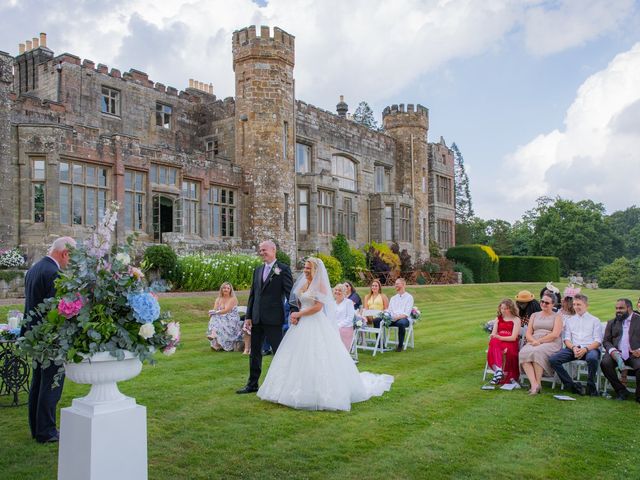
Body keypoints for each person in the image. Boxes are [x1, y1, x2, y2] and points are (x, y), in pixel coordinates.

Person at [257, 257, 393, 410]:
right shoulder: (304, 283)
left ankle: (317, 393)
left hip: (315, 321)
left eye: (309, 268)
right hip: (301, 323)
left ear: (315, 269)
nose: (306, 270)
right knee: (296, 356)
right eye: (305, 268)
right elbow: (299, 302)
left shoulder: (320, 285)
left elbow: (318, 307)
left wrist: (300, 315)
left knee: (318, 354)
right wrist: (295, 315)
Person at [22, 236, 76, 443]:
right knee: (51, 384)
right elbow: (57, 312)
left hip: (33, 334)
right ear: (64, 253)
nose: (69, 263)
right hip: (49, 338)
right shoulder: (53, 273)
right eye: (70, 257)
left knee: (37, 382)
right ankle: (46, 431)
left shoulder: (35, 268)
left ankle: (36, 428)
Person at [236, 241, 295, 394]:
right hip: (256, 318)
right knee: (255, 353)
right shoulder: (258, 270)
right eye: (260, 250)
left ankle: (284, 384)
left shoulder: (283, 269)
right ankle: (252, 384)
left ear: (273, 250)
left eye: (264, 250)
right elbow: (253, 295)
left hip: (274, 319)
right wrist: (248, 316)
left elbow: (290, 293)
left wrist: (294, 311)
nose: (261, 252)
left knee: (279, 352)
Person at [549, 293, 603, 396]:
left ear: (586, 305)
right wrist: (574, 348)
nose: (576, 307)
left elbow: (597, 341)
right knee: (553, 360)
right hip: (573, 349)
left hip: (590, 349)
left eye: (579, 304)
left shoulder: (595, 320)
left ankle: (590, 386)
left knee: (592, 358)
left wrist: (585, 349)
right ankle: (571, 385)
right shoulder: (570, 320)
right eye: (574, 304)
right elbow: (567, 339)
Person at [519, 292, 563, 395]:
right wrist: (533, 340)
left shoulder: (557, 317)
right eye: (542, 301)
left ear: (553, 304)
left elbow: (555, 334)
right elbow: (528, 333)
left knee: (537, 352)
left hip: (550, 341)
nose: (543, 304)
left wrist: (539, 341)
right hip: (534, 340)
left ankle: (537, 383)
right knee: (523, 352)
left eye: (546, 303)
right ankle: (534, 384)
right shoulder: (534, 315)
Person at [600, 299, 640, 402]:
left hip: (634, 353)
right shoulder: (612, 322)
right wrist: (613, 352)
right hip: (617, 352)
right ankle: (621, 390)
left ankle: (639, 395)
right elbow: (606, 341)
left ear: (629, 308)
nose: (618, 310)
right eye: (617, 308)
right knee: (605, 363)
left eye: (621, 308)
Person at [486, 299, 520, 385]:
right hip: (498, 342)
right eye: (502, 308)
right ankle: (499, 370)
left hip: (510, 342)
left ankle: (498, 372)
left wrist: (500, 337)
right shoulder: (498, 318)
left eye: (506, 308)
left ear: (511, 308)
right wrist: (493, 336)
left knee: (496, 344)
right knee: (493, 340)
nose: (503, 310)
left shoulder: (516, 319)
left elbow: (513, 337)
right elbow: (494, 333)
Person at [374, 278, 413, 352]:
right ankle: (380, 344)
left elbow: (406, 314)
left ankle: (400, 346)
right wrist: (385, 314)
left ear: (403, 284)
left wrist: (396, 317)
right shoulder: (393, 298)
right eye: (395, 284)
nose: (395, 285)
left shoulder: (409, 297)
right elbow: (389, 310)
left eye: (397, 284)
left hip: (404, 319)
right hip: (392, 319)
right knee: (377, 320)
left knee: (401, 323)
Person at [206, 282, 241, 352]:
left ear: (230, 290)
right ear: (221, 289)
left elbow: (226, 310)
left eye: (228, 288)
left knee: (216, 319)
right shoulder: (218, 299)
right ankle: (216, 340)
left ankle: (216, 340)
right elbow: (215, 309)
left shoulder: (233, 299)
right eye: (224, 288)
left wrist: (215, 313)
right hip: (221, 316)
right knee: (214, 318)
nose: (226, 289)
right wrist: (211, 313)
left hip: (231, 318)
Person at [334, 283, 356, 351]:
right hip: (335, 326)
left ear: (344, 292)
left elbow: (350, 318)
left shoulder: (348, 302)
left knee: (337, 332)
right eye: (336, 290)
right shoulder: (332, 303)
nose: (337, 292)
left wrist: (338, 325)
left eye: (340, 290)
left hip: (346, 328)